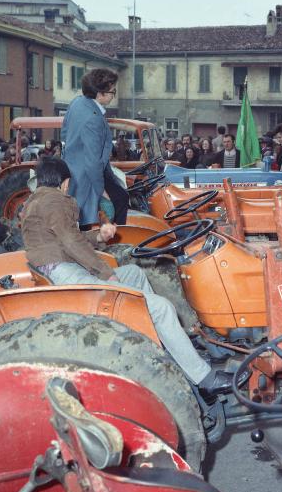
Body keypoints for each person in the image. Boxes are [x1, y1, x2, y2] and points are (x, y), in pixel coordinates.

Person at [21, 158, 244, 398]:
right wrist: (106, 273)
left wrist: (99, 237)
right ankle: (204, 379)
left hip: (58, 269)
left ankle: (160, 341)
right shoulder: (56, 200)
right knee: (163, 308)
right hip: (66, 273)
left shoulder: (37, 201)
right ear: (65, 183)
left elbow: (68, 237)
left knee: (134, 274)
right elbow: (70, 241)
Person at [62, 68, 128, 226]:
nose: (114, 95)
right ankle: (114, 246)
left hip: (72, 170)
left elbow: (64, 133)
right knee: (121, 199)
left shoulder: (77, 102)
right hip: (86, 175)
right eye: (113, 91)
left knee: (82, 220)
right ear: (100, 93)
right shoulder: (94, 119)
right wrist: (101, 192)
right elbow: (93, 162)